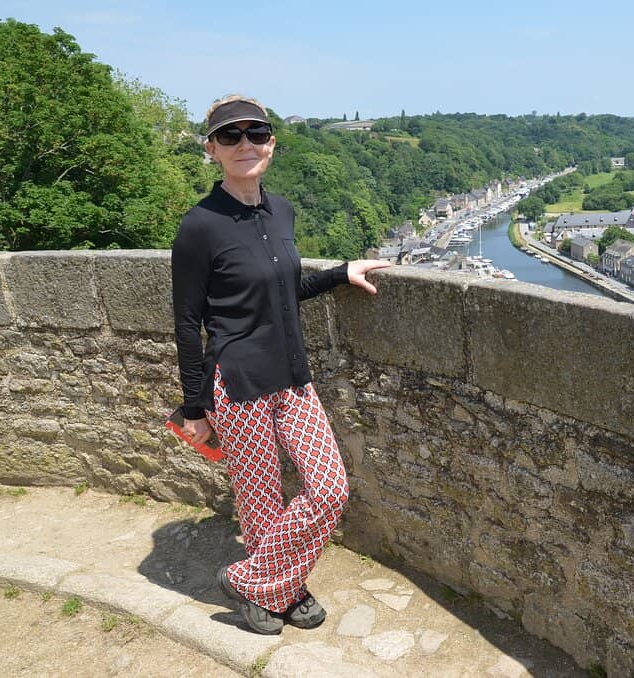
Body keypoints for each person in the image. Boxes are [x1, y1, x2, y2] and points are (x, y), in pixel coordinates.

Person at [171, 95, 391, 635]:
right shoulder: (199, 226)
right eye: (230, 136)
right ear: (212, 150)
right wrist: (195, 406)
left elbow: (285, 289)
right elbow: (186, 323)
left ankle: (252, 581)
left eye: (256, 133)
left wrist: (340, 272)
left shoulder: (282, 209)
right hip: (239, 383)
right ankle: (282, 590)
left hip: (293, 377)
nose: (244, 144)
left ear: (271, 143)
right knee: (261, 501)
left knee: (328, 488)